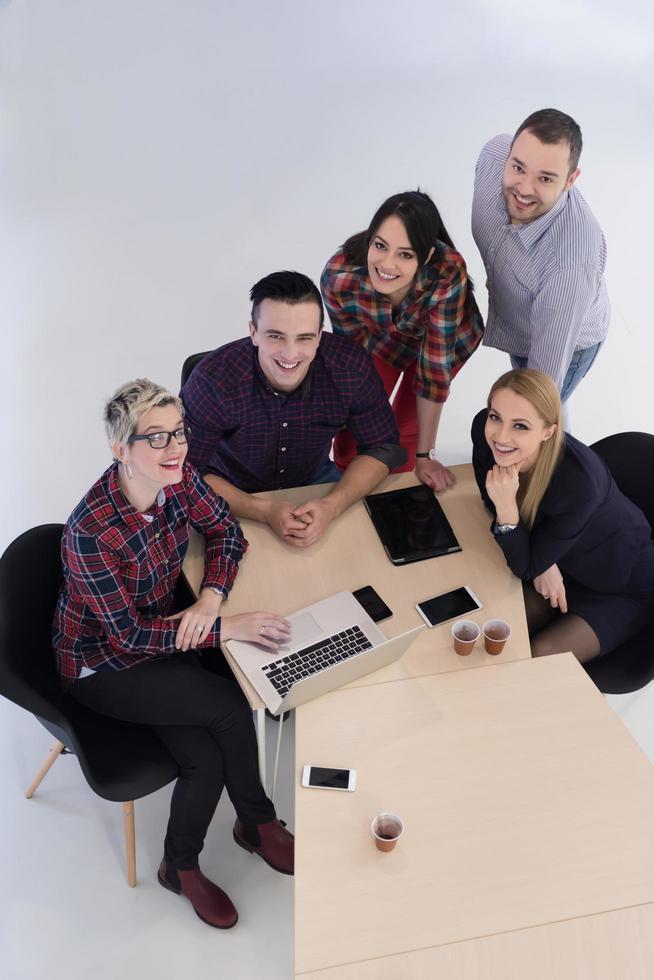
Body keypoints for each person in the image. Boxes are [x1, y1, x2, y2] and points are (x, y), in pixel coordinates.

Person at [52, 379, 294, 929]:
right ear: (121, 451)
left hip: (165, 632)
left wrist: (210, 599)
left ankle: (183, 863)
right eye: (156, 438)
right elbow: (127, 638)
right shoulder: (89, 533)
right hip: (101, 662)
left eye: (179, 433)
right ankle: (254, 824)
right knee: (229, 704)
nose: (176, 448)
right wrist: (227, 627)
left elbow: (227, 533)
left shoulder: (178, 480)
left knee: (204, 758)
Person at [181, 270, 405, 548]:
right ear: (253, 332)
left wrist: (332, 506)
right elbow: (186, 472)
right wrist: (263, 510)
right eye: (276, 336)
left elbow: (382, 447)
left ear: (320, 336)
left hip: (314, 480)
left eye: (304, 338)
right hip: (230, 488)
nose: (290, 353)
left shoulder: (350, 366)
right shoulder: (212, 380)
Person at [471, 369, 654, 663]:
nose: (501, 437)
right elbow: (490, 497)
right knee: (494, 632)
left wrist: (511, 516)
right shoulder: (485, 434)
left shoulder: (580, 485)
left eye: (520, 425)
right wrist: (544, 561)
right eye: (496, 417)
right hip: (560, 558)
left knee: (540, 658)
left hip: (622, 582)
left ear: (548, 431)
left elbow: (521, 556)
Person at [321, 190, 484, 492]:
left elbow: (433, 372)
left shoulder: (447, 273)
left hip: (445, 341)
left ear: (427, 256)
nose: (387, 264)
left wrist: (426, 456)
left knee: (407, 425)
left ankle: (399, 493)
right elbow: (349, 361)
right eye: (380, 246)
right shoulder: (339, 278)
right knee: (357, 416)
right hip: (382, 339)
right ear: (370, 239)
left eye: (405, 254)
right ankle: (346, 482)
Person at [472, 108, 609, 402]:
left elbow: (538, 390)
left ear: (571, 180)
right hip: (523, 319)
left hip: (568, 344)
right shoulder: (493, 155)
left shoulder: (569, 265)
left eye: (545, 179)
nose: (523, 189)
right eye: (518, 168)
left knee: (541, 417)